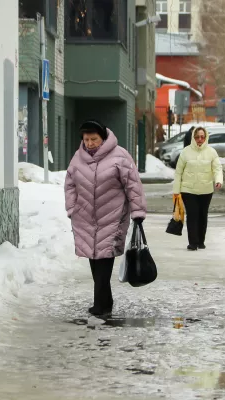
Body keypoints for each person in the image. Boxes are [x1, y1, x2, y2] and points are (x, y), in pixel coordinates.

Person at [65, 120, 147, 317]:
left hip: (112, 217)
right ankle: (104, 302)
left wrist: (137, 212)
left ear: (103, 138)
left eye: (94, 139)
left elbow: (133, 185)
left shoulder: (120, 156)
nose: (90, 143)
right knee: (94, 260)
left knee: (104, 261)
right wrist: (72, 208)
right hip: (84, 217)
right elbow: (70, 184)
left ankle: (100, 305)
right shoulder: (78, 158)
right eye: (86, 139)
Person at [172, 127, 223, 251]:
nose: (200, 139)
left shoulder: (211, 152)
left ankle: (201, 241)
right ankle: (193, 243)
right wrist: (176, 191)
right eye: (197, 137)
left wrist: (218, 181)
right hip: (188, 190)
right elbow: (178, 172)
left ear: (206, 138)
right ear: (193, 138)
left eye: (202, 137)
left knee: (202, 215)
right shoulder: (185, 152)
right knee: (193, 214)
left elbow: (217, 168)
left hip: (206, 190)